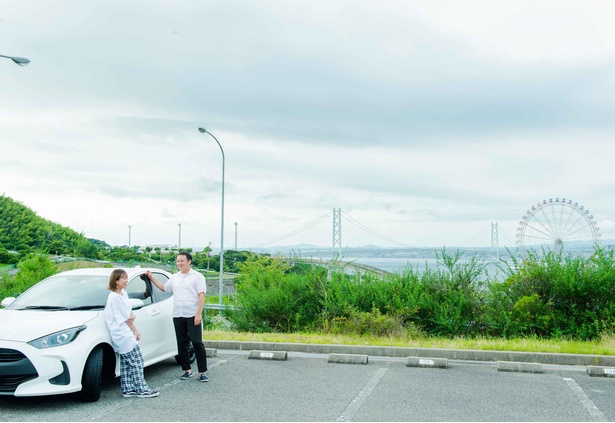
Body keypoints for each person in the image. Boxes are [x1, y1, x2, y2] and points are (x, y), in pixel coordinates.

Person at [146, 252, 209, 382]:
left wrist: (198, 314)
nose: (179, 263)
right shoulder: (175, 277)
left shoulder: (197, 277)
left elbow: (201, 295)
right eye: (178, 261)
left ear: (189, 261)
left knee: (197, 343)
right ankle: (187, 370)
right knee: (182, 343)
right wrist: (151, 278)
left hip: (192, 314)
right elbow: (164, 288)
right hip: (177, 314)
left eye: (182, 261)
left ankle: (202, 371)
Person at [104, 268, 159, 398]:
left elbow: (128, 311)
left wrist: (132, 314)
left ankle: (128, 389)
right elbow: (126, 318)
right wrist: (135, 330)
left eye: (126, 277)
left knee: (127, 363)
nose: (126, 280)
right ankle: (142, 389)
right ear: (116, 281)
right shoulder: (114, 297)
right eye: (123, 278)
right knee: (137, 361)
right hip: (122, 334)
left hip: (124, 332)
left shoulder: (123, 293)